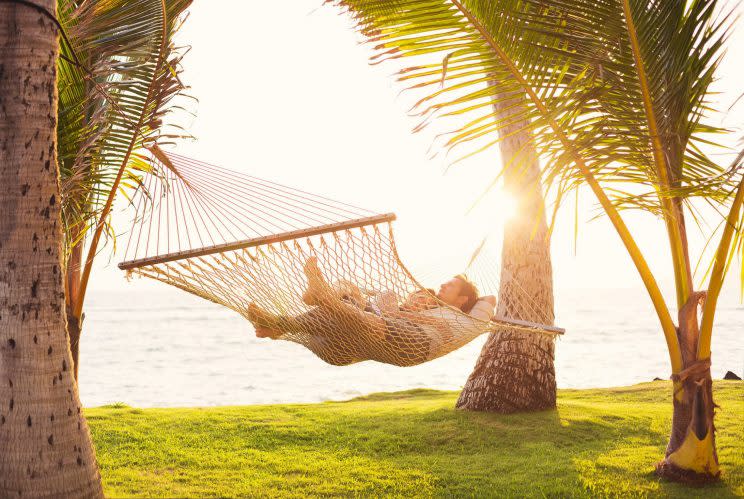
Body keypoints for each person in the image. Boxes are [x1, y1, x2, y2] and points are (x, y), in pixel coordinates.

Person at [248, 257, 495, 366]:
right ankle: (278, 326)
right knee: (337, 315)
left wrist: (401, 314)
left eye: (450, 285)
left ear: (463, 299)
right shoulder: (434, 308)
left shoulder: (461, 318)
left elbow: (489, 300)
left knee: (369, 318)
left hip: (414, 343)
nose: (442, 285)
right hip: (343, 350)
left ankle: (320, 296)